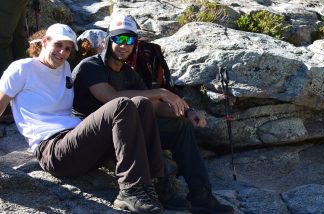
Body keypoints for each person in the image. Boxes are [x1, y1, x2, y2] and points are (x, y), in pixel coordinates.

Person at [72, 15, 234, 214]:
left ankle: (201, 195)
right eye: (119, 39)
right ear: (108, 41)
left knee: (180, 127)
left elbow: (156, 107)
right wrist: (161, 92)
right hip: (95, 135)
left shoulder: (129, 74)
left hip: (127, 132)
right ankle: (156, 186)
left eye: (130, 40)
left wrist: (186, 112)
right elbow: (110, 97)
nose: (124, 45)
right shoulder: (90, 66)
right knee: (135, 111)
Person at [0, 23, 167, 214]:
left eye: (68, 48)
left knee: (141, 103)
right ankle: (130, 190)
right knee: (121, 104)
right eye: (58, 45)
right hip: (54, 151)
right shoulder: (22, 68)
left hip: (78, 143)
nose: (63, 52)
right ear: (45, 42)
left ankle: (154, 183)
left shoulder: (64, 70)